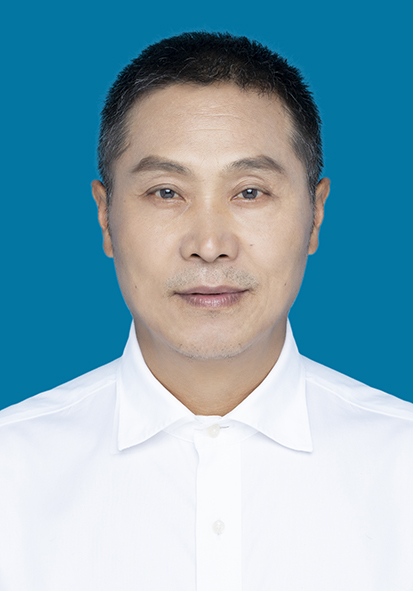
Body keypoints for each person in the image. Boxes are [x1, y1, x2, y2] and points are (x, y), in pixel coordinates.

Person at [0, 31, 412, 591]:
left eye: (250, 192)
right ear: (105, 217)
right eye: (166, 192)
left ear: (315, 216)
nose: (210, 244)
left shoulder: (403, 467)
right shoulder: (12, 472)